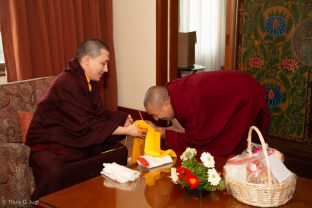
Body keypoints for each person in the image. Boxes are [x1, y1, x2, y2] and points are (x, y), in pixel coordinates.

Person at [26, 38, 143, 200]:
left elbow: (97, 113)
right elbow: (85, 123)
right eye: (103, 63)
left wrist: (122, 118)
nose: (107, 69)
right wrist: (126, 131)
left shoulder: (87, 82)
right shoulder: (67, 83)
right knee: (56, 172)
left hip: (75, 137)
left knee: (118, 152)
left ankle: (95, 197)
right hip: (51, 145)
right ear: (87, 60)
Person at [143, 70, 270, 157]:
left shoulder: (186, 104)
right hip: (238, 85)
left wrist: (162, 132)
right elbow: (181, 127)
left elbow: (198, 138)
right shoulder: (170, 91)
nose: (156, 118)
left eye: (156, 114)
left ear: (166, 104)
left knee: (235, 136)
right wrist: (161, 128)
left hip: (245, 94)